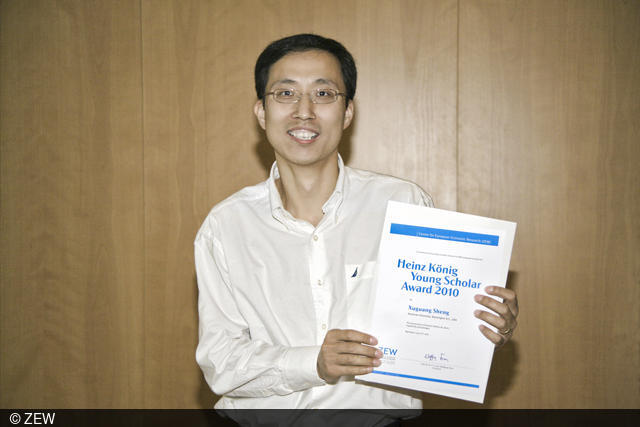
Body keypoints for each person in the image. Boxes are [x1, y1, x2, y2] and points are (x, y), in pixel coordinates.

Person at [194, 34, 518, 411]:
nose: (304, 111)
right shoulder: (226, 225)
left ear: (347, 112)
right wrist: (312, 363)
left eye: (323, 94)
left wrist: (483, 325)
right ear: (262, 112)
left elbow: (441, 331)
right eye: (285, 93)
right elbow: (221, 362)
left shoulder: (403, 204)